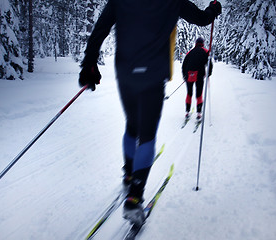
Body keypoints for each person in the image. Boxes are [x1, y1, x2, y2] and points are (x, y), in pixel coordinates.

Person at [78, 0, 221, 225]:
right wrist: (214, 9)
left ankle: (128, 174)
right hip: (153, 74)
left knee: (132, 125)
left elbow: (100, 29)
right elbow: (202, 18)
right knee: (147, 135)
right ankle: (134, 198)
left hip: (126, 72)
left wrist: (89, 65)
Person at [182, 37, 213, 122]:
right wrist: (209, 73)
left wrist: (184, 75)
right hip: (199, 75)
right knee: (199, 94)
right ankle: (199, 113)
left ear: (196, 43)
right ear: (202, 43)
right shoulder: (206, 51)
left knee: (189, 93)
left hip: (189, 74)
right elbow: (210, 63)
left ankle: (187, 112)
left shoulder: (190, 52)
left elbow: (184, 64)